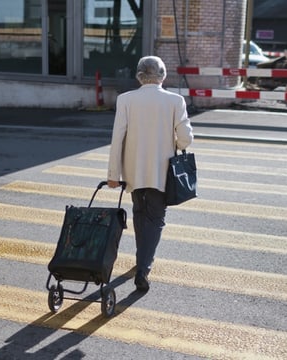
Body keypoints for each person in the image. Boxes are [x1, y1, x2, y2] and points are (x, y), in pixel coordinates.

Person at [107, 56, 193, 292]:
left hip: (133, 172)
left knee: (139, 213)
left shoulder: (125, 100)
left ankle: (140, 260)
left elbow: (117, 139)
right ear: (163, 76)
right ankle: (143, 268)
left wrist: (113, 174)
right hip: (161, 172)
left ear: (138, 76)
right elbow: (186, 138)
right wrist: (174, 141)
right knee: (155, 219)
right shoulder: (175, 101)